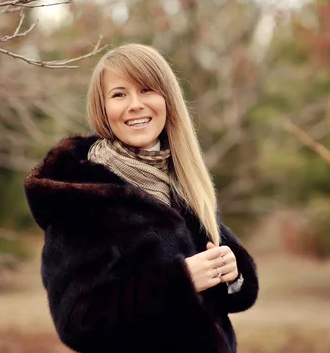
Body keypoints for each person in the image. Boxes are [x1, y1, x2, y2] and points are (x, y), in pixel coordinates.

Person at [24, 43, 258, 353]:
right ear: (103, 108)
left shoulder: (185, 181)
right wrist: (179, 282)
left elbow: (219, 295)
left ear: (167, 99)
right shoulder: (84, 196)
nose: (135, 105)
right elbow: (76, 322)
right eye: (119, 94)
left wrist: (233, 272)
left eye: (146, 90)